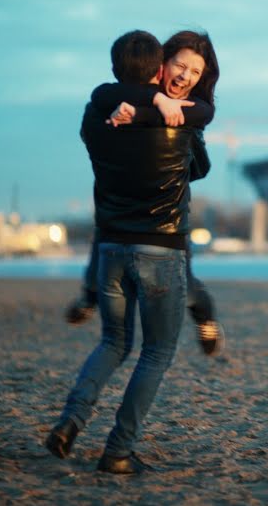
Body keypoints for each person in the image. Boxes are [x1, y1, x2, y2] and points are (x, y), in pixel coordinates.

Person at [45, 30, 208, 474]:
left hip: (111, 248)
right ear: (158, 72)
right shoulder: (179, 120)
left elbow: (101, 95)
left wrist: (138, 102)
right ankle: (117, 450)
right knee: (157, 351)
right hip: (160, 249)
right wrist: (159, 104)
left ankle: (68, 424)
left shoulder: (96, 121)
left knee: (113, 342)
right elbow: (202, 166)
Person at [65, 31, 225, 356]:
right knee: (102, 255)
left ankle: (206, 317)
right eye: (180, 65)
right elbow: (102, 94)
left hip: (168, 215)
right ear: (160, 64)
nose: (185, 76)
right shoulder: (122, 94)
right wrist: (155, 100)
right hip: (116, 209)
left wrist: (142, 114)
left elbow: (201, 153)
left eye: (195, 72)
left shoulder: (192, 109)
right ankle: (89, 295)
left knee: (186, 287)